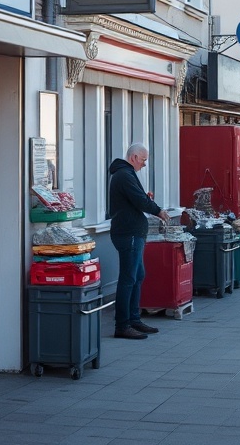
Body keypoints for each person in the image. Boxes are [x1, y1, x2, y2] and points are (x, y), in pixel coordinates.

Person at [108, 143, 170, 340]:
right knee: (128, 278)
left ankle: (134, 319)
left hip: (132, 232)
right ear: (134, 157)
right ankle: (122, 325)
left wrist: (147, 200)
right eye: (143, 160)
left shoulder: (126, 174)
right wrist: (158, 210)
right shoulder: (124, 175)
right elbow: (139, 200)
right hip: (129, 233)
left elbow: (138, 199)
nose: (144, 164)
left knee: (138, 275)